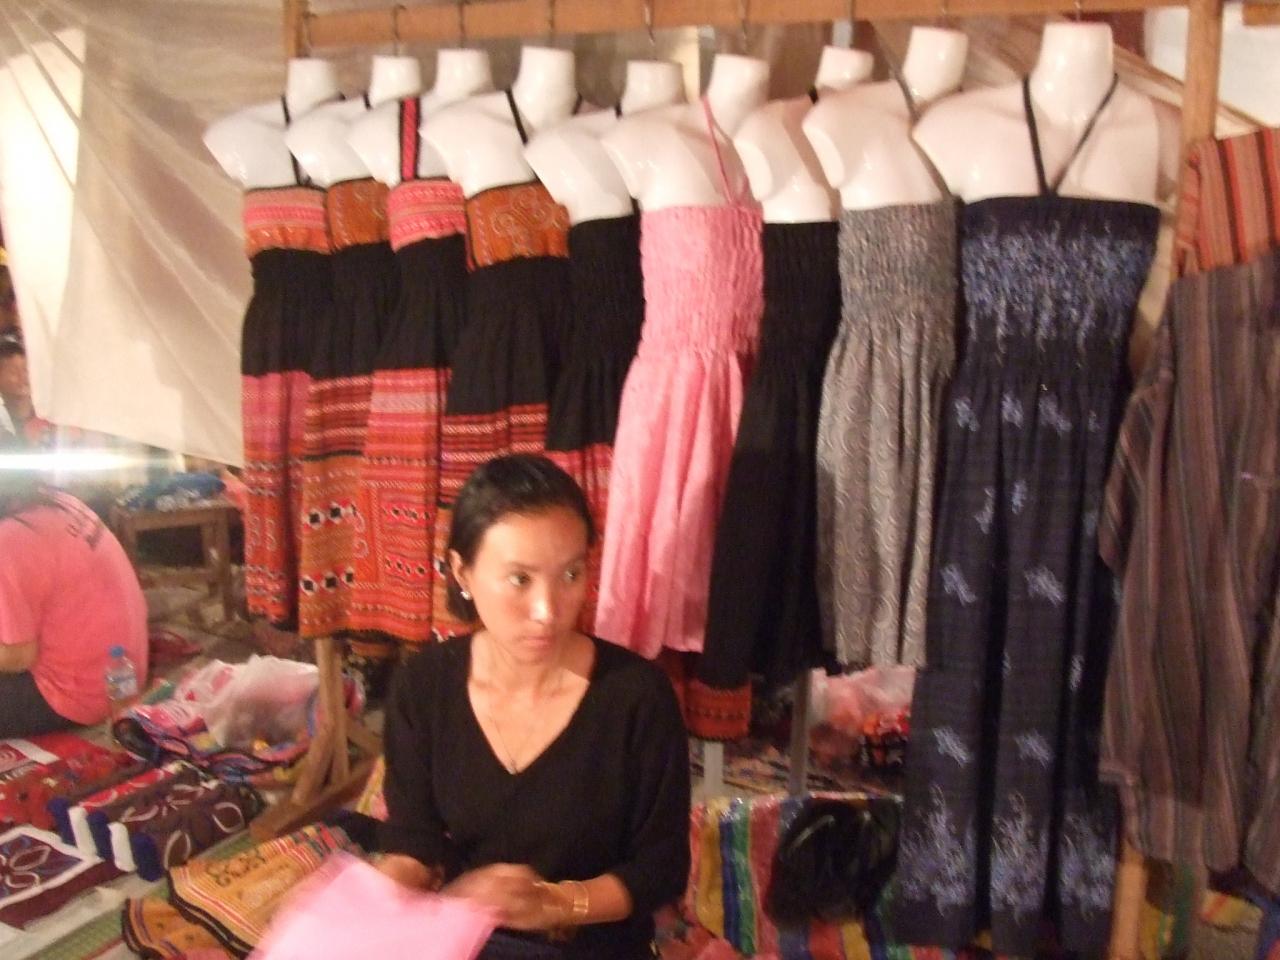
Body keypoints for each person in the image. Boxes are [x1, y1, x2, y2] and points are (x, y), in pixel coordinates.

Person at [378, 454, 691, 959]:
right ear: (462, 572)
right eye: (520, 580)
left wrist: (555, 904)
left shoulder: (636, 697)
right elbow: (414, 839)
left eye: (571, 574)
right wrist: (380, 899)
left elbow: (660, 869)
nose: (548, 611)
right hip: (467, 941)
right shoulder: (424, 687)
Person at [0, 441, 149, 737]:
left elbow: (18, 656)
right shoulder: (57, 501)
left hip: (76, 694)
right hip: (124, 672)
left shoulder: (10, 539)